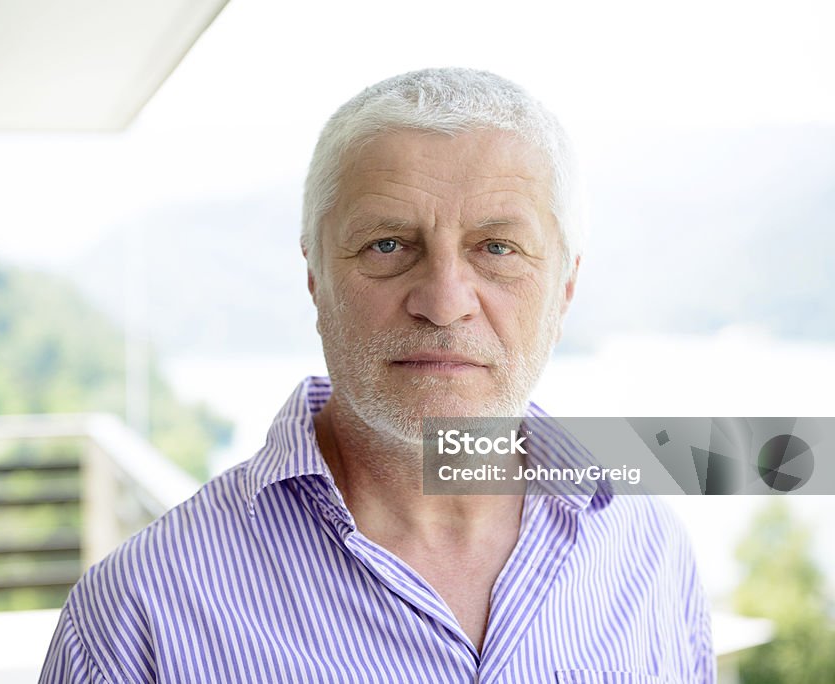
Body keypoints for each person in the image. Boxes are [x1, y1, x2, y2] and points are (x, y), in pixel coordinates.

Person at [40, 68, 715, 683]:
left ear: (565, 288)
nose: (445, 300)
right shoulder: (138, 619)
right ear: (315, 276)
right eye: (387, 245)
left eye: (499, 248)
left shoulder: (650, 551)